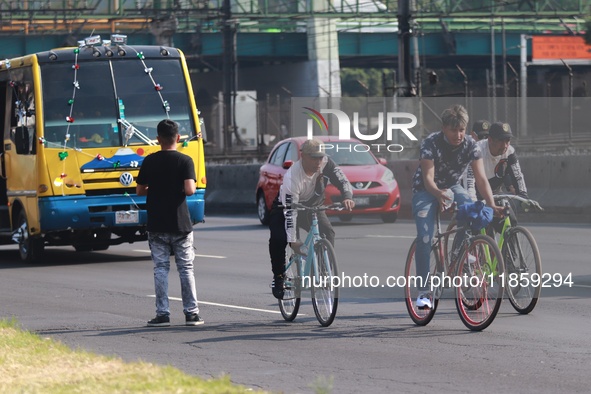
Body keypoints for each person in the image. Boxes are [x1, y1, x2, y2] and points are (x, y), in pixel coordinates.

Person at [411, 105, 503, 309]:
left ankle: (460, 254)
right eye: (453, 130)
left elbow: (481, 179)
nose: (458, 134)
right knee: (425, 236)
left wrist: (491, 204)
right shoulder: (430, 143)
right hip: (426, 189)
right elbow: (427, 178)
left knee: (474, 210)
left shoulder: (471, 145)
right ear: (444, 128)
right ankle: (424, 291)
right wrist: (438, 194)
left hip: (452, 186)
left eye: (461, 129)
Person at [136, 119, 204, 327]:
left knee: (160, 268)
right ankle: (191, 314)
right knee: (185, 268)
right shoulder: (185, 160)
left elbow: (140, 191)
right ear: (178, 138)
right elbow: (191, 190)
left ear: (158, 139)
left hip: (157, 223)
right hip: (180, 223)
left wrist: (156, 188)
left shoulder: (149, 161)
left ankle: (162, 313)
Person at [268, 138, 355, 299]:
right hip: (286, 207)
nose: (318, 161)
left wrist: (347, 196)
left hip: (312, 206)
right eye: (314, 157)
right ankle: (279, 277)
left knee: (327, 231)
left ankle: (323, 271)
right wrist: (293, 240)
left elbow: (342, 180)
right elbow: (290, 213)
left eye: (320, 157)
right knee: (280, 238)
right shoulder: (292, 176)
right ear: (303, 156)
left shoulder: (326, 163)